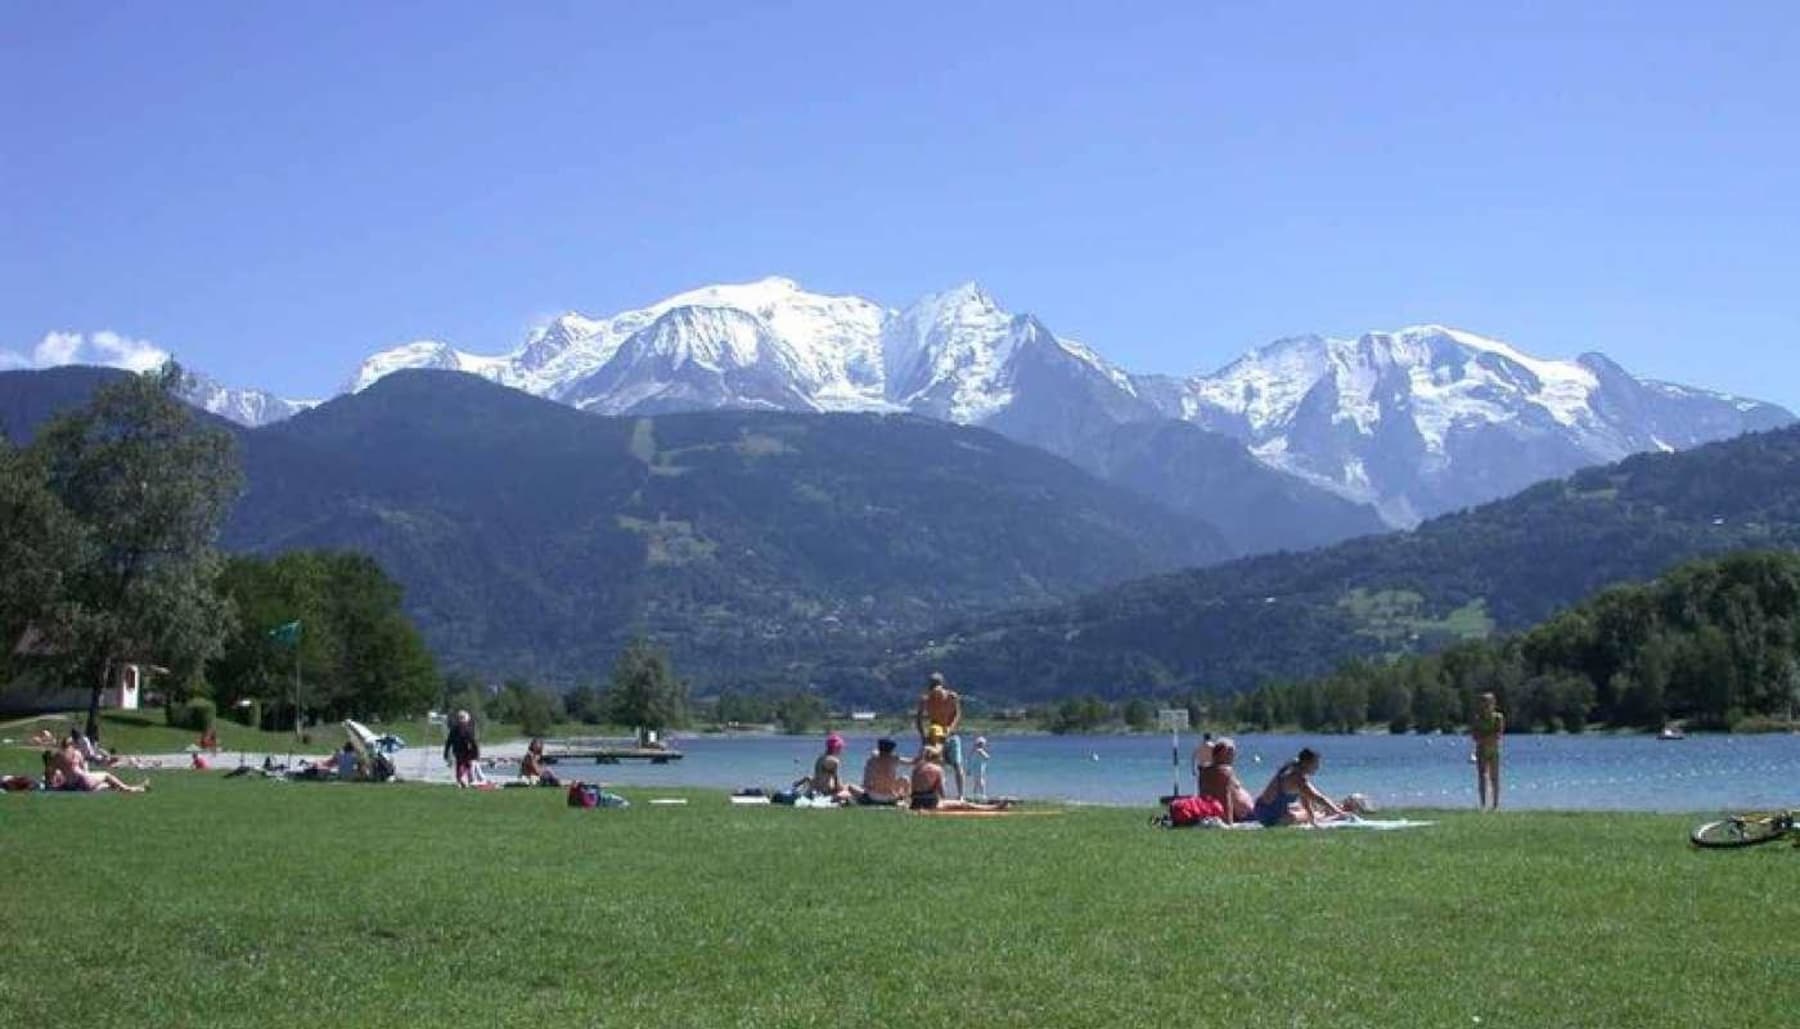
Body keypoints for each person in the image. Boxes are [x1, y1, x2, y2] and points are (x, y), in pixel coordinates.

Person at [1251, 748, 1344, 827]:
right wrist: (1339, 812)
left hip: (1264, 810)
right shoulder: (1297, 778)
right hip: (1269, 816)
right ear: (1306, 763)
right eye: (1315, 764)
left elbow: (1305, 798)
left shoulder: (1295, 770)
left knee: (1307, 813)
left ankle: (1327, 813)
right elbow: (1318, 797)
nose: (1318, 767)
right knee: (1299, 817)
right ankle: (1331, 814)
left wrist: (1312, 818)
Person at [908, 745, 1010, 812]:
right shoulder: (937, 769)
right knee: (963, 804)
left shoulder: (917, 768)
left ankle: (993, 807)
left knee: (955, 803)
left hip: (915, 802)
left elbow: (914, 788)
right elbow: (942, 792)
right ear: (937, 757)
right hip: (930, 804)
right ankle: (993, 808)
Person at [914, 672, 964, 798]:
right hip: (934, 734)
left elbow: (957, 715)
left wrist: (949, 729)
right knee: (935, 764)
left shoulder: (951, 696)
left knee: (957, 764)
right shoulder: (925, 699)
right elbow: (918, 719)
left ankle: (961, 795)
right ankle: (938, 794)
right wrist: (923, 736)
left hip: (949, 734)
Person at [1198, 737, 1256, 822]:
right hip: (1244, 815)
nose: (1234, 755)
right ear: (1223, 753)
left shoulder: (1206, 771)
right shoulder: (1224, 771)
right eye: (1231, 751)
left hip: (1239, 813)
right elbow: (1225, 797)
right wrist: (1229, 822)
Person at [46, 748, 148, 793]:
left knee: (108, 785)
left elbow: (50, 781)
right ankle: (128, 789)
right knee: (106, 775)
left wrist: (52, 786)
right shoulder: (62, 756)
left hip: (77, 786)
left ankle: (137, 789)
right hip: (83, 780)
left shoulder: (54, 764)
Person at [793, 733, 852, 803]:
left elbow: (819, 776)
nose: (841, 750)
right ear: (836, 748)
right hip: (826, 791)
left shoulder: (820, 758)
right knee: (847, 793)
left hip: (816, 788)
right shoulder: (834, 761)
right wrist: (844, 788)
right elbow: (837, 782)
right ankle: (828, 800)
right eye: (840, 748)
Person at [1471, 691, 1505, 811]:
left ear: (1493, 704)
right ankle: (1483, 805)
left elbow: (1498, 734)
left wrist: (1484, 737)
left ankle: (1495, 805)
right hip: (1481, 750)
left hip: (1493, 750)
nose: (1486, 706)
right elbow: (1474, 736)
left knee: (1494, 777)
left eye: (1489, 703)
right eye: (1483, 703)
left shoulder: (1498, 718)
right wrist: (1485, 738)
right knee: (1482, 777)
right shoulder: (1477, 718)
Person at [854, 738, 910, 805]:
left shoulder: (871, 761)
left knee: (850, 787)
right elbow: (913, 762)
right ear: (892, 750)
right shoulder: (894, 759)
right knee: (905, 778)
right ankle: (905, 801)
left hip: (874, 796)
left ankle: (863, 800)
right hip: (891, 797)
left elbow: (866, 784)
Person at [443, 710, 481, 788]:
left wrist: (446, 752)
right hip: (466, 750)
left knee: (459, 765)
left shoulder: (454, 729)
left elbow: (448, 741)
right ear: (465, 719)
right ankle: (463, 778)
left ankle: (459, 782)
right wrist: (477, 753)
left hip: (456, 750)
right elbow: (473, 742)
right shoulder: (468, 729)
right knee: (467, 765)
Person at [970, 736, 991, 801]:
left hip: (976, 768)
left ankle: (974, 794)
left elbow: (970, 757)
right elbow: (987, 757)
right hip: (979, 768)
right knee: (980, 781)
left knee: (976, 782)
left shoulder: (975, 750)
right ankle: (983, 794)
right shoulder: (980, 750)